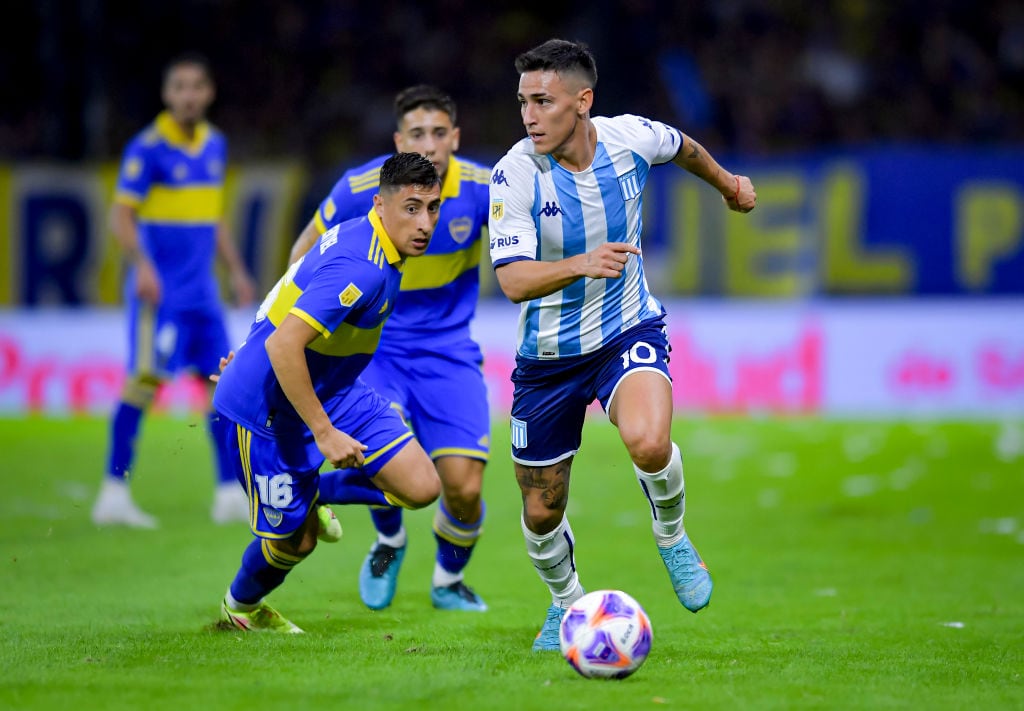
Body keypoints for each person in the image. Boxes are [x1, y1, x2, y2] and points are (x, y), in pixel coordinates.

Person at [487, 39, 757, 650]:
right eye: (523, 102)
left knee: (649, 440)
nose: (529, 116)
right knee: (541, 510)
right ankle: (566, 604)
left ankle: (673, 538)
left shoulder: (628, 138)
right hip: (547, 360)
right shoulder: (515, 174)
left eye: (543, 101)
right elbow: (512, 281)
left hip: (625, 329)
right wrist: (582, 262)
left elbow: (681, 146)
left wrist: (727, 184)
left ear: (583, 101)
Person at [213, 152, 444, 632]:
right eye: (412, 208)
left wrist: (252, 344)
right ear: (380, 205)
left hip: (333, 388)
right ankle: (240, 607)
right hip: (269, 407)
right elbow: (283, 344)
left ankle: (312, 495)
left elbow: (289, 287)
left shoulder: (370, 239)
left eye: (432, 208)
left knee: (422, 486)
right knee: (296, 543)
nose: (425, 223)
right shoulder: (362, 267)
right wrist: (324, 432)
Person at [289, 86, 492, 612]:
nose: (428, 144)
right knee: (383, 456)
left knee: (465, 487)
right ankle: (389, 539)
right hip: (375, 350)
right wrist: (287, 327)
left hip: (449, 350)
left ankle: (449, 580)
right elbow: (300, 255)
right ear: (399, 141)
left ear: (456, 137)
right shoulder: (362, 187)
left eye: (439, 133)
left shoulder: (482, 187)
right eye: (417, 134)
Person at [92, 52, 256, 529]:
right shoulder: (148, 148)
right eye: (179, 87)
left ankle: (228, 492)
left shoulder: (215, 145)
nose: (188, 96)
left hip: (203, 294)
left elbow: (213, 215)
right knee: (143, 383)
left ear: (209, 93)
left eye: (196, 87)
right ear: (167, 94)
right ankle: (113, 493)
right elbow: (120, 215)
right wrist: (143, 266)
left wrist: (237, 270)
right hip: (160, 294)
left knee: (219, 386)